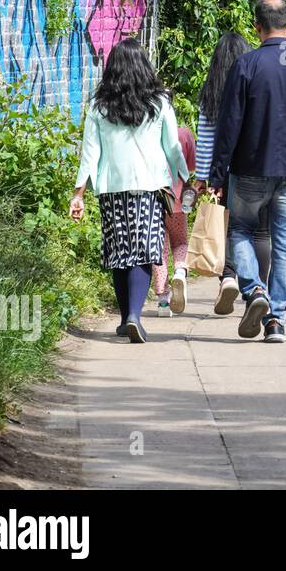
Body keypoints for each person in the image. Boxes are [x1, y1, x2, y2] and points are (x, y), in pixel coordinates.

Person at [208, 0, 286, 344]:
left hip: (249, 169)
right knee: (285, 245)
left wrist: (217, 175)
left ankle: (254, 288)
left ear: (257, 27)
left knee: (240, 231)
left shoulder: (245, 65)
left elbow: (229, 125)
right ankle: (276, 321)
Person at [70, 38, 189, 344]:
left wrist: (78, 193)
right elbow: (173, 148)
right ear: (144, 67)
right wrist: (188, 178)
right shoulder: (159, 103)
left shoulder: (98, 106)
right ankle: (134, 315)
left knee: (119, 252)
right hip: (150, 188)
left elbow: (89, 154)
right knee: (143, 252)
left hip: (112, 190)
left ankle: (125, 319)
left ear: (112, 69)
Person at [194, 32, 272, 315]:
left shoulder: (211, 91)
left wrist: (204, 177)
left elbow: (205, 138)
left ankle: (228, 277)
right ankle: (258, 291)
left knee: (227, 227)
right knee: (260, 232)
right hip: (255, 168)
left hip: (221, 171)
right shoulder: (257, 84)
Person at [152, 123, 196, 316]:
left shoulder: (148, 131)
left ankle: (163, 301)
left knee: (159, 248)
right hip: (178, 200)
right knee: (180, 241)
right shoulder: (184, 133)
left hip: (154, 200)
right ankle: (180, 272)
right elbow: (191, 165)